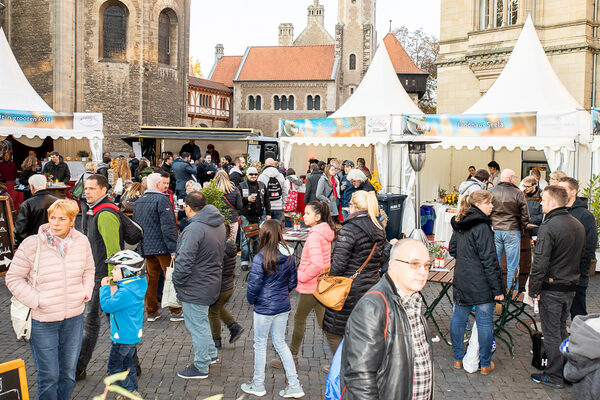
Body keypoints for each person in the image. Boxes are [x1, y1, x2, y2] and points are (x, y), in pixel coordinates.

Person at [6, 199, 94, 400]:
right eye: (52, 218)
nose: (56, 223)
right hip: (42, 321)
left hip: (73, 318)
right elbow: (13, 278)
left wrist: (85, 291)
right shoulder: (32, 244)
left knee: (68, 375)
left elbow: (89, 270)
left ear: (72, 220)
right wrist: (37, 299)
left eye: (62, 219)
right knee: (49, 376)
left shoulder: (81, 241)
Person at [341, 239, 433, 399]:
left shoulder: (413, 300)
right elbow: (359, 377)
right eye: (414, 264)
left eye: (427, 265)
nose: (423, 271)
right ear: (393, 265)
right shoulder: (373, 307)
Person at [528, 185, 585, 388]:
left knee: (552, 332)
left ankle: (554, 375)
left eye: (543, 199)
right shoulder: (577, 224)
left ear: (552, 202)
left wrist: (533, 290)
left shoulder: (549, 226)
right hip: (570, 286)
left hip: (553, 288)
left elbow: (540, 263)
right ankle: (564, 370)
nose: (541, 203)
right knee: (561, 329)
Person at [242, 220, 305, 398]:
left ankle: (258, 383)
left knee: (260, 344)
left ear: (264, 234)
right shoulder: (290, 254)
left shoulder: (260, 257)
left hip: (264, 307)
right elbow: (293, 281)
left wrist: (252, 300)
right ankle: (294, 384)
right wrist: (282, 293)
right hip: (282, 305)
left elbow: (253, 286)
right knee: (280, 343)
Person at [271, 201, 335, 370]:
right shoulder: (323, 233)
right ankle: (342, 360)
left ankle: (292, 357)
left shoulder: (315, 236)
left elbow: (317, 265)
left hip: (312, 285)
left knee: (300, 318)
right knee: (325, 324)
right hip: (319, 284)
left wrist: (300, 276)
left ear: (318, 216)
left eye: (307, 213)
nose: (303, 216)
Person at [77, 174, 129, 381]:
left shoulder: (105, 213)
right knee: (115, 322)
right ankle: (132, 364)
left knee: (91, 323)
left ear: (103, 190)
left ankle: (78, 367)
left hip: (103, 277)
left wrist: (112, 282)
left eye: (91, 188)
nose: (86, 192)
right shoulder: (92, 210)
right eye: (85, 188)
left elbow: (113, 251)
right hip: (96, 274)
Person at [323, 191, 386, 357]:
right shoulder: (378, 228)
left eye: (350, 204)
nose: (347, 208)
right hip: (371, 286)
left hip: (348, 289)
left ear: (355, 207)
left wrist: (329, 279)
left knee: (334, 331)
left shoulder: (349, 229)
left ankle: (344, 368)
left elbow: (338, 265)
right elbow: (381, 259)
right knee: (361, 329)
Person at [449, 190, 505, 375]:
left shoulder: (461, 222)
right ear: (479, 204)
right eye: (489, 203)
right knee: (484, 322)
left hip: (463, 277)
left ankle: (458, 358)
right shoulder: (482, 226)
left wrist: (466, 258)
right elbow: (489, 259)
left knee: (459, 317)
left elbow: (452, 249)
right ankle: (485, 363)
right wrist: (498, 288)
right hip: (482, 281)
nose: (492, 206)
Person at [174, 192, 225, 379]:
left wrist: (177, 282)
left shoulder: (195, 229)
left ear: (188, 208)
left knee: (197, 326)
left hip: (195, 284)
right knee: (202, 322)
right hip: (211, 280)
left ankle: (201, 365)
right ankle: (210, 355)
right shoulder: (217, 223)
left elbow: (184, 261)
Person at [133, 173, 181, 322]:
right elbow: (168, 227)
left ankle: (151, 311)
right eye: (163, 184)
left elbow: (136, 226)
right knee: (171, 277)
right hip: (163, 247)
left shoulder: (139, 202)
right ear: (158, 184)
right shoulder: (162, 200)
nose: (165, 186)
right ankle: (175, 311)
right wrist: (173, 248)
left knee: (151, 279)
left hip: (146, 246)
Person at [99, 250, 147, 399]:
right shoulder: (135, 287)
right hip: (131, 335)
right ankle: (131, 392)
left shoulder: (125, 292)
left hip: (122, 338)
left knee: (113, 367)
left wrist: (104, 288)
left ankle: (131, 392)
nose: (112, 271)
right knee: (128, 365)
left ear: (126, 271)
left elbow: (107, 306)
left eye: (115, 269)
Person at [559, 177, 598, 318]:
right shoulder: (558, 211)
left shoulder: (585, 215)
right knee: (558, 316)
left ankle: (582, 339)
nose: (560, 192)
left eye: (563, 189)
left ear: (574, 192)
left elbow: (589, 246)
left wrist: (580, 271)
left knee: (578, 314)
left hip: (576, 275)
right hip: (558, 276)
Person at [489, 169, 529, 290]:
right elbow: (525, 215)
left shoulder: (491, 191)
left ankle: (494, 291)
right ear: (511, 178)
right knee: (513, 265)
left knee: (493, 264)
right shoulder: (518, 193)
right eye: (515, 177)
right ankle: (512, 293)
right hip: (512, 229)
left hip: (495, 229)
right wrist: (521, 227)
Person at [208, 223, 245, 350]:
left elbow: (213, 269)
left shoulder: (219, 249)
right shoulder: (230, 246)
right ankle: (234, 327)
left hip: (219, 287)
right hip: (228, 286)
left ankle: (216, 341)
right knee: (218, 307)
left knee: (212, 312)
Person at [239, 166, 270, 270]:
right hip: (246, 216)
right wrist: (246, 199)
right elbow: (238, 202)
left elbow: (267, 200)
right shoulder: (241, 185)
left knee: (258, 240)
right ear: (247, 175)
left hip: (259, 216)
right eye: (251, 174)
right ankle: (244, 261)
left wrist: (268, 214)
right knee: (245, 240)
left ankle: (256, 261)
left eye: (255, 174)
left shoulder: (262, 185)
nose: (253, 176)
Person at [14, 175, 58, 248]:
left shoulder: (27, 204)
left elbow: (20, 231)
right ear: (46, 185)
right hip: (55, 242)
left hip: (33, 244)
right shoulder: (58, 202)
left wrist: (17, 246)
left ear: (31, 187)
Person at [214, 170, 242, 241]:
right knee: (231, 243)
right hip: (232, 220)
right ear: (227, 178)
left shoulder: (212, 191)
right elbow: (240, 206)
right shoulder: (234, 189)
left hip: (216, 221)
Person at [258, 158, 288, 222]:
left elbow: (259, 192)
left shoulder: (262, 176)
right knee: (277, 229)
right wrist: (283, 204)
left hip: (266, 208)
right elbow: (285, 191)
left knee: (265, 229)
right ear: (274, 165)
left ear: (265, 165)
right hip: (278, 206)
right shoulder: (280, 176)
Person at [79, 162, 98, 233]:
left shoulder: (82, 175)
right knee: (93, 213)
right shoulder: (96, 177)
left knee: (84, 214)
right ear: (93, 168)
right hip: (93, 198)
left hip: (83, 197)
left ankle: (84, 231)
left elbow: (76, 184)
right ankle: (92, 230)